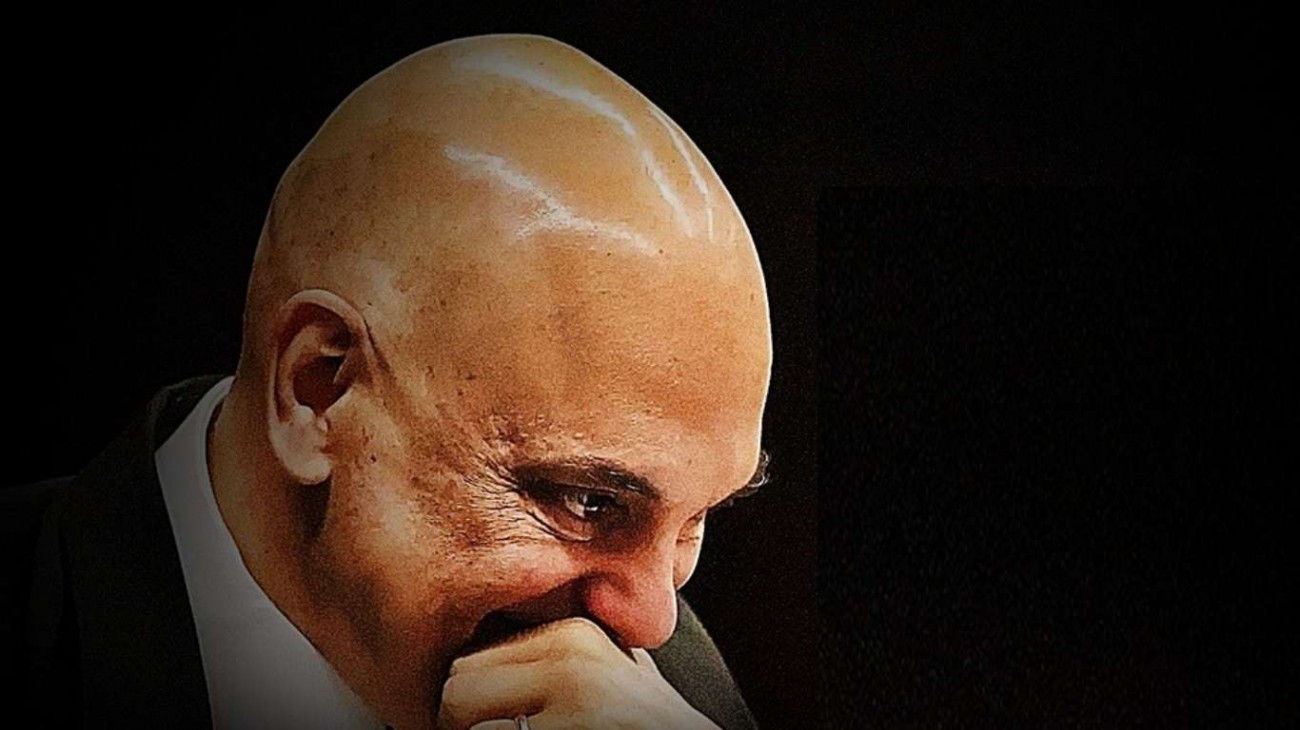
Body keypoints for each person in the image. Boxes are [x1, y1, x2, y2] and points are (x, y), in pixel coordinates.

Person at [3, 34, 772, 729]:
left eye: (697, 519)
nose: (654, 625)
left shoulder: (677, 697)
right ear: (318, 390)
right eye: (589, 502)